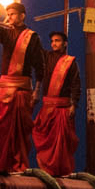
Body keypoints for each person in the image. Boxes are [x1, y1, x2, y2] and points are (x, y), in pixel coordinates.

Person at [0, 2, 44, 172]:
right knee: (1, 129)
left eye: (13, 14)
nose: (10, 17)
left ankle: (18, 166)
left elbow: (40, 66)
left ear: (22, 15)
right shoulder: (6, 33)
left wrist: (37, 90)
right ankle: (1, 165)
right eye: (8, 14)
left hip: (22, 91)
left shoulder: (32, 37)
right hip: (4, 89)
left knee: (19, 133)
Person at [32, 31, 80, 176]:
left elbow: (76, 84)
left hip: (62, 109)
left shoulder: (70, 62)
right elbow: (35, 46)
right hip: (47, 109)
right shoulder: (46, 57)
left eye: (57, 41)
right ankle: (46, 172)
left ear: (65, 43)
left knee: (61, 146)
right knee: (44, 139)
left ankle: (60, 174)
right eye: (52, 41)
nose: (54, 43)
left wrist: (74, 105)